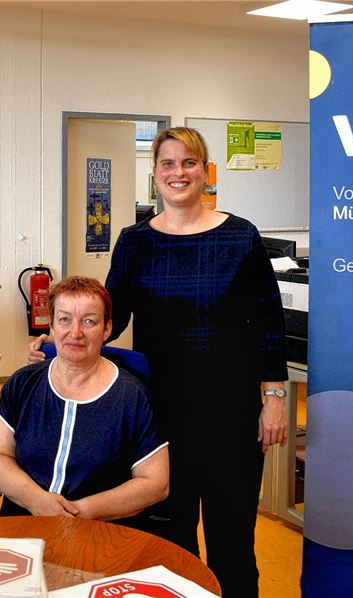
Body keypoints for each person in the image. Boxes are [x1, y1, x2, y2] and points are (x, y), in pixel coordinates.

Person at [29, 127, 288, 597]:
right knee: (170, 539)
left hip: (232, 414)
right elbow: (110, 316)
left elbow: (268, 321)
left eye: (189, 163)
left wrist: (274, 397)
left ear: (205, 172)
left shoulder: (240, 237)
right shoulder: (134, 241)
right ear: (154, 173)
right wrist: (57, 343)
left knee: (232, 543)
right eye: (167, 164)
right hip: (160, 415)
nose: (178, 173)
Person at [0, 276, 168, 526]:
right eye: (64, 319)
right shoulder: (23, 383)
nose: (75, 332)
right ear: (51, 326)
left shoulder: (133, 396)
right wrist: (36, 500)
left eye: (89, 321)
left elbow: (155, 484)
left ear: (107, 329)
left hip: (100, 531)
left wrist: (79, 512)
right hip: (22, 525)